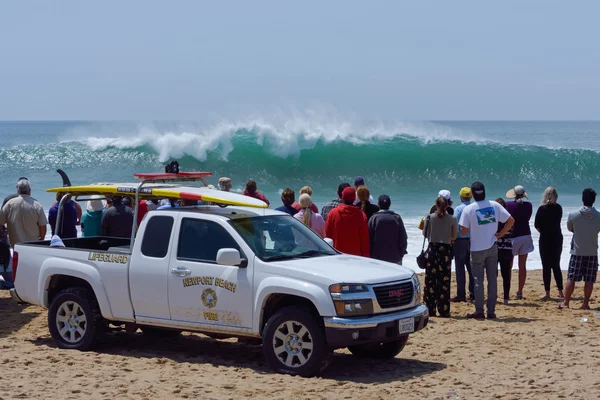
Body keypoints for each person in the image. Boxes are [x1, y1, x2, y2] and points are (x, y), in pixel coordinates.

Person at [459, 181, 514, 320]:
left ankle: (479, 310)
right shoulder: (494, 205)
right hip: (492, 247)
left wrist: (472, 226)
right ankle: (491, 311)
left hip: (476, 248)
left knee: (478, 280)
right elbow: (511, 221)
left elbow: (464, 230)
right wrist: (500, 234)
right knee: (492, 280)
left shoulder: (469, 209)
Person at [559, 188, 600, 310]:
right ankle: (585, 303)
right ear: (594, 200)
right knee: (589, 279)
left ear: (582, 199)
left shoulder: (573, 215)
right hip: (592, 251)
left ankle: (566, 303)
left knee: (571, 277)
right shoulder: (598, 216)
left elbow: (570, 229)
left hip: (577, 251)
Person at [423, 197, 458, 317]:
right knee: (444, 281)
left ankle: (430, 309)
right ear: (448, 205)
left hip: (433, 249)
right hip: (446, 251)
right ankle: (443, 309)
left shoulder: (430, 217)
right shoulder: (452, 218)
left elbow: (425, 233)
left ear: (436, 205)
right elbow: (454, 235)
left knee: (430, 281)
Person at [534, 187, 564, 300]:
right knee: (556, 265)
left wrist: (544, 231)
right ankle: (561, 292)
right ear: (556, 196)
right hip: (557, 238)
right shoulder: (559, 208)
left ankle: (547, 293)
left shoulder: (542, 209)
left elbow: (537, 225)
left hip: (545, 239)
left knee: (546, 266)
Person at [505, 185, 534, 300]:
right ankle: (520, 292)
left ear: (514, 194)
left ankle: (507, 291)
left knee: (509, 266)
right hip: (525, 235)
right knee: (522, 266)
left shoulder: (508, 205)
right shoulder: (529, 205)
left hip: (513, 237)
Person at [0, 179, 47, 246]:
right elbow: (43, 226)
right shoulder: (37, 205)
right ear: (29, 191)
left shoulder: (9, 204)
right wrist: (42, 239)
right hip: (33, 243)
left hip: (16, 244)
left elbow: (0, 223)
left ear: (18, 191)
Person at [325, 187, 369, 257]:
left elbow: (327, 236)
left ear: (342, 197)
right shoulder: (361, 216)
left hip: (337, 256)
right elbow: (364, 241)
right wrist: (366, 258)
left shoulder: (333, 213)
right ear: (354, 199)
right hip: (355, 257)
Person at [368, 194, 407, 264]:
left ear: (378, 205)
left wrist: (371, 255)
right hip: (395, 258)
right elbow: (403, 238)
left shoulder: (373, 218)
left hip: (377, 258)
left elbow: (369, 240)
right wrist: (401, 254)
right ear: (389, 204)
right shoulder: (396, 218)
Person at [452, 187, 474, 302]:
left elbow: (454, 224)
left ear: (461, 197)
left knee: (460, 269)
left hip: (460, 241)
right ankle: (473, 293)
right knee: (471, 268)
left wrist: (452, 238)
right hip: (472, 240)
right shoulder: (474, 208)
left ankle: (461, 294)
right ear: (470, 197)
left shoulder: (459, 209)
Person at [496, 198, 514, 305]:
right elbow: (512, 233)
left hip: (495, 249)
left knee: (493, 274)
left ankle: (493, 296)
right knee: (506, 274)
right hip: (507, 248)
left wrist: (498, 235)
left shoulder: (493, 220)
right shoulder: (509, 219)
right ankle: (506, 298)